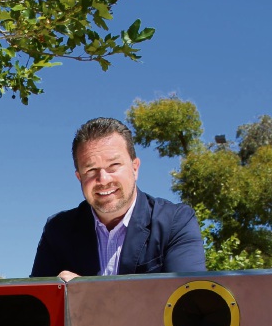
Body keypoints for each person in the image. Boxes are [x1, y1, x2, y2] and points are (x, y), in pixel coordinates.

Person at [30, 117, 205, 281]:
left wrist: (85, 293)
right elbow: (34, 308)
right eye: (91, 170)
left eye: (114, 166)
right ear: (79, 177)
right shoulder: (58, 230)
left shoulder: (175, 222)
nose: (103, 180)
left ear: (135, 168)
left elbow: (188, 301)